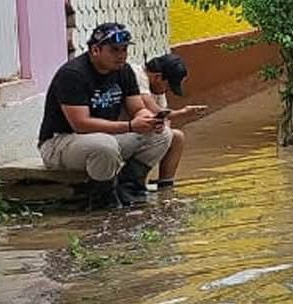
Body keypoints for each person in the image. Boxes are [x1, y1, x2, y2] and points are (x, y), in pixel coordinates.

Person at [38, 22, 174, 208]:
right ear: (95, 50)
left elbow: (137, 108)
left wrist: (148, 120)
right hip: (60, 143)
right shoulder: (72, 74)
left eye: (124, 50)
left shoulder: (123, 71)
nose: (122, 55)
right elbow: (81, 124)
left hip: (105, 138)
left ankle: (128, 188)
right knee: (105, 146)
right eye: (115, 50)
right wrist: (129, 126)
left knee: (163, 135)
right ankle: (102, 199)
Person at [141, 53, 208, 188]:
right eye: (168, 86)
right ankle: (135, 183)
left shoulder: (159, 92)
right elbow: (155, 110)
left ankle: (165, 184)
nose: (167, 91)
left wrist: (162, 125)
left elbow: (164, 117)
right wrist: (182, 113)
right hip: (124, 128)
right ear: (158, 77)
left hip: (143, 129)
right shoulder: (138, 76)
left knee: (177, 137)